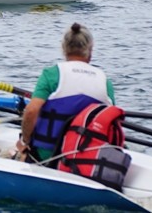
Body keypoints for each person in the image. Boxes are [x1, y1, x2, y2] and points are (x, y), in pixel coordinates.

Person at [19, 23, 116, 164]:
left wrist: (25, 141)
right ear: (90, 50)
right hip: (89, 158)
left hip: (48, 156)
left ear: (64, 49)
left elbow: (31, 110)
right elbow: (114, 121)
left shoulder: (51, 74)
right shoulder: (104, 81)